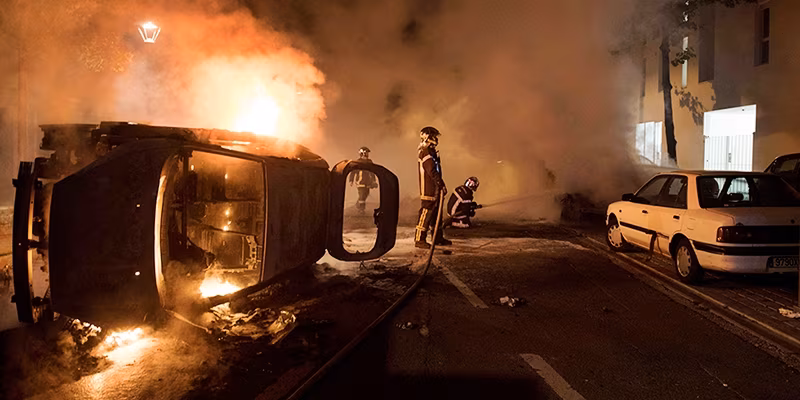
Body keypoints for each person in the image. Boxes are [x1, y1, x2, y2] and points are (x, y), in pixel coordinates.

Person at [415, 126, 451, 249]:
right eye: (434, 136)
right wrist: (441, 184)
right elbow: (431, 171)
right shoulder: (425, 153)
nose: (436, 139)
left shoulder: (431, 152)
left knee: (436, 215)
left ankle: (437, 238)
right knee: (426, 213)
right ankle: (419, 239)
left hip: (435, 189)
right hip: (429, 190)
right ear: (427, 137)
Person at [349, 146, 378, 213]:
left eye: (367, 153)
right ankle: (361, 209)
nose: (367, 154)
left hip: (368, 182)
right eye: (366, 153)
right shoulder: (357, 162)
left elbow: (372, 171)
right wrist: (351, 180)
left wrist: (374, 180)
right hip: (360, 181)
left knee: (366, 194)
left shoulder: (369, 162)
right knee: (362, 195)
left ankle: (358, 204)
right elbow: (353, 172)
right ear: (362, 153)